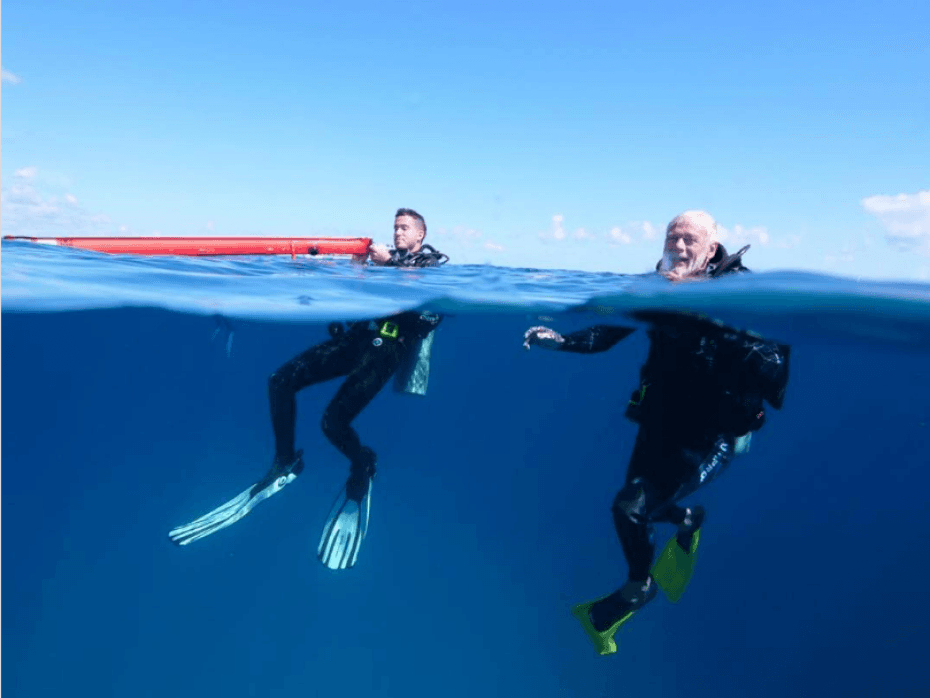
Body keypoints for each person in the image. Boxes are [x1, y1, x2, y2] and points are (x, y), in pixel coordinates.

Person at [523, 210, 791, 655]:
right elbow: (611, 330)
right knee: (637, 501)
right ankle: (689, 519)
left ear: (711, 248)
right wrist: (564, 340)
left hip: (713, 437)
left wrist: (719, 321)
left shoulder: (745, 294)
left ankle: (637, 588)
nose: (680, 248)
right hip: (662, 422)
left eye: (690, 240)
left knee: (629, 508)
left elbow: (776, 381)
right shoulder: (658, 287)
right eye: (673, 239)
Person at [169, 209, 448, 570]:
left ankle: (363, 463)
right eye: (394, 227)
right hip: (359, 339)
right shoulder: (385, 261)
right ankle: (284, 462)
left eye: (404, 228)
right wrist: (356, 269)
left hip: (388, 348)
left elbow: (428, 311)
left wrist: (390, 266)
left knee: (332, 423)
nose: (397, 232)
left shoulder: (430, 263)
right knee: (280, 381)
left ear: (420, 236)